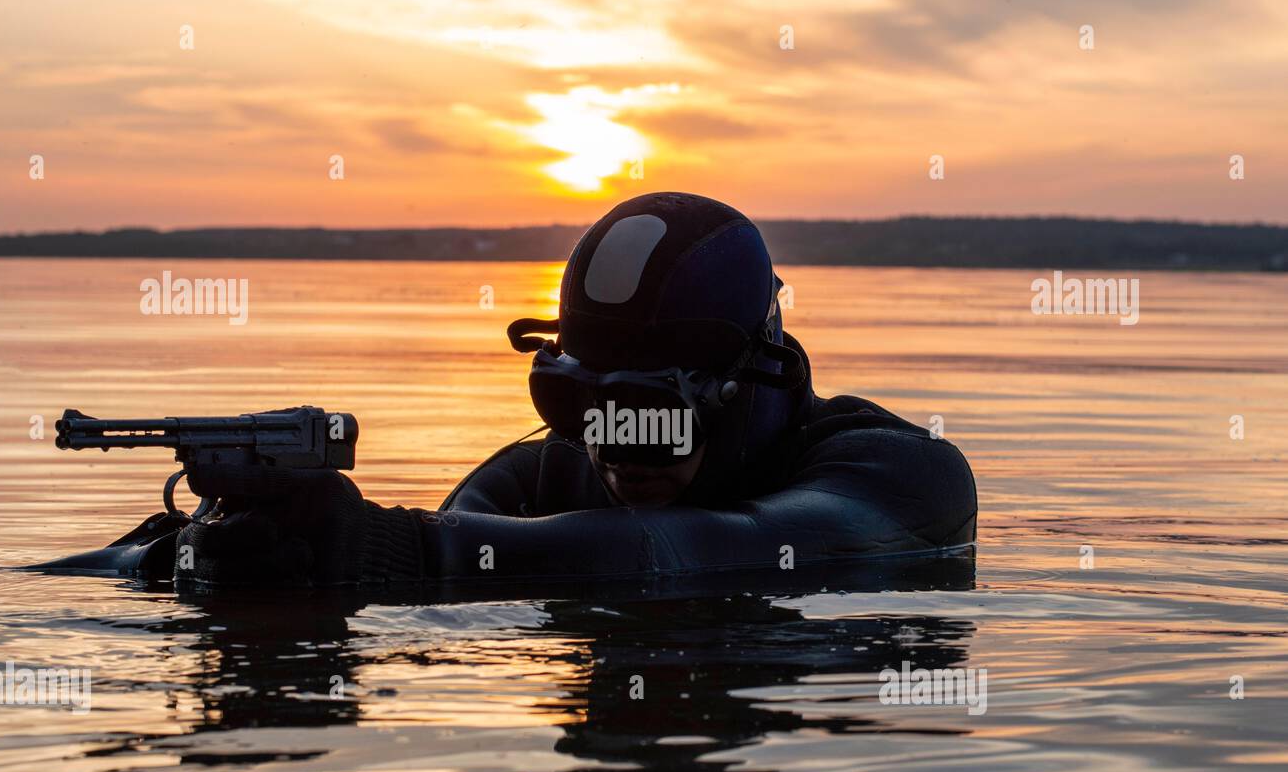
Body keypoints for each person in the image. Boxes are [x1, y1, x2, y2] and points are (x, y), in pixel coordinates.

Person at [175, 192, 977, 587]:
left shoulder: (901, 475)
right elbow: (434, 567)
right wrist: (201, 550)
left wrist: (394, 549)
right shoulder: (550, 476)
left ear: (748, 388)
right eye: (581, 409)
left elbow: (710, 548)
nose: (616, 452)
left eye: (649, 415)